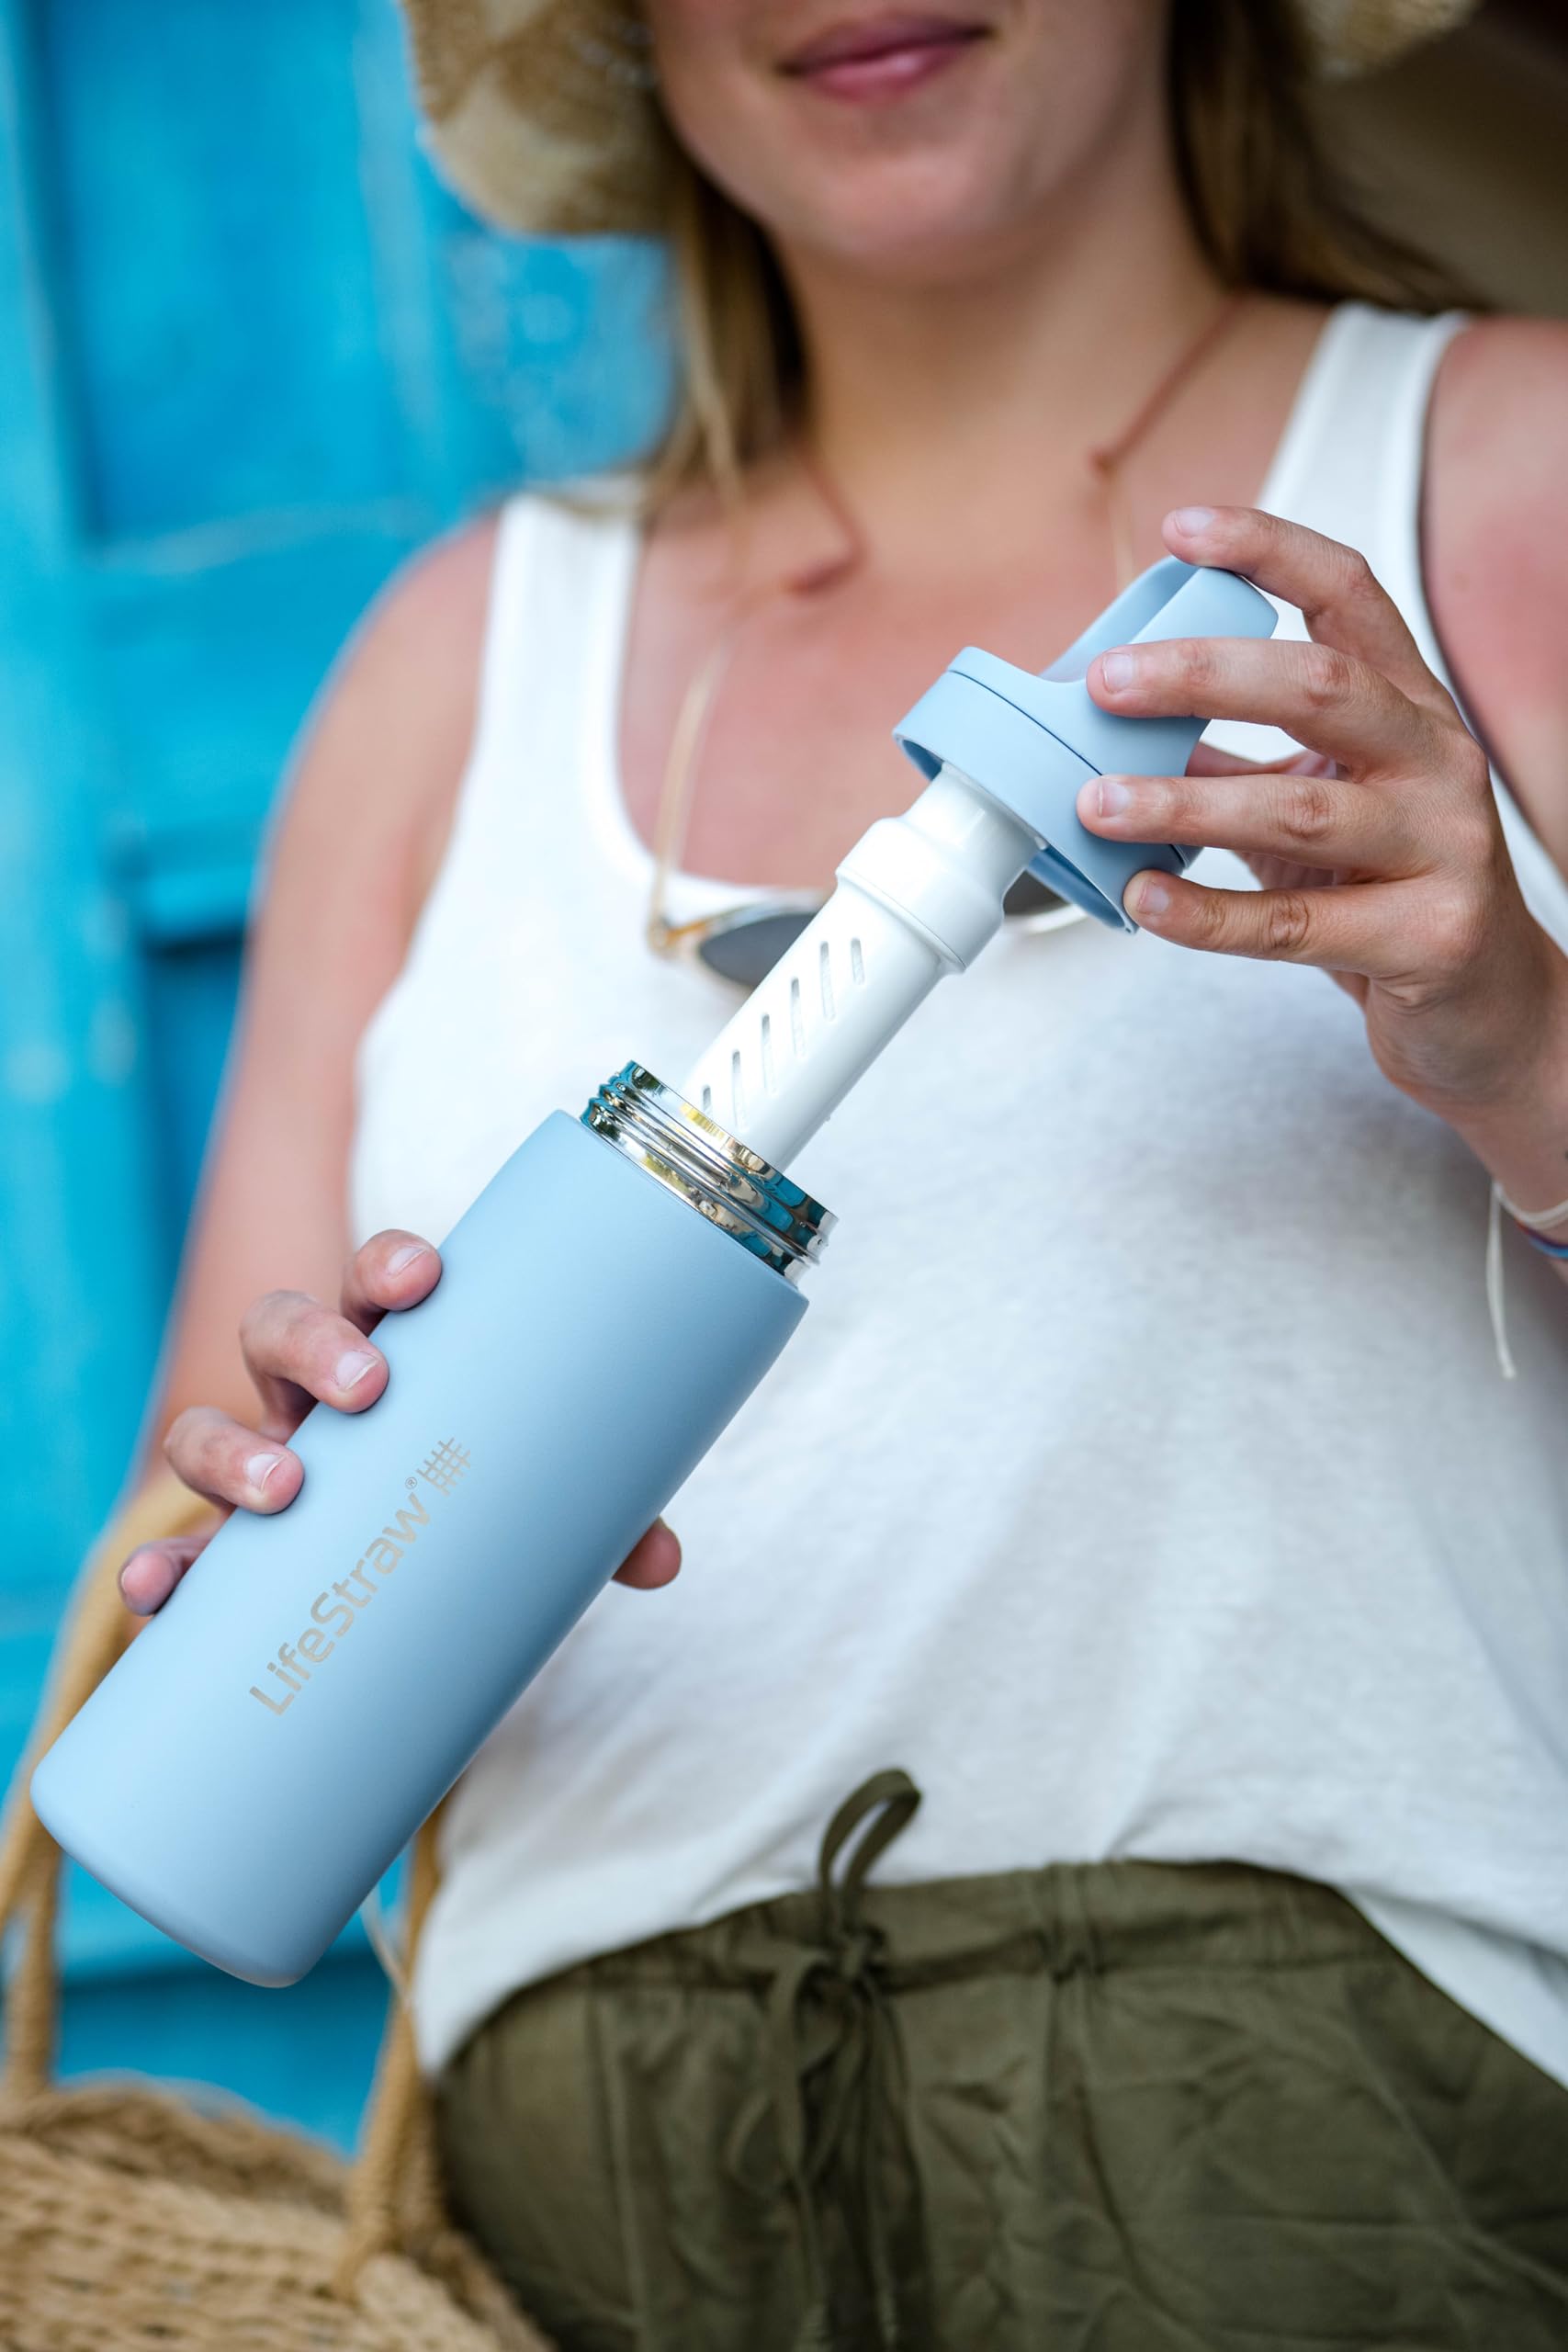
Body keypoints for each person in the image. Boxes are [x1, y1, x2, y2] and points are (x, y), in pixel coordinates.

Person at [112, 0, 1568, 2343]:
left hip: (1327, 2190)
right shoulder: (446, 667)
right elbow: (185, 1556)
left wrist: (1522, 1032)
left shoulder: (1504, 475)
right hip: (579, 2239)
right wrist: (282, 1510)